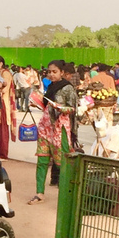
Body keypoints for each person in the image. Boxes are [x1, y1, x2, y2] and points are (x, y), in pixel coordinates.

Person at [29, 59, 78, 203]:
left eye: (54, 72)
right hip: (45, 127)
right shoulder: (50, 87)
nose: (51, 74)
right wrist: (38, 103)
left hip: (59, 128)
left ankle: (67, 195)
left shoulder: (68, 88)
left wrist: (61, 108)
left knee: (61, 162)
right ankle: (39, 193)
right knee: (42, 160)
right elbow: (46, 106)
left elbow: (73, 109)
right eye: (49, 72)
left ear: (62, 73)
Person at [0, 55, 16, 159]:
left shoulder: (5, 73)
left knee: (2, 131)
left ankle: (2, 153)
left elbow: (4, 89)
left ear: (1, 63)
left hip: (3, 104)